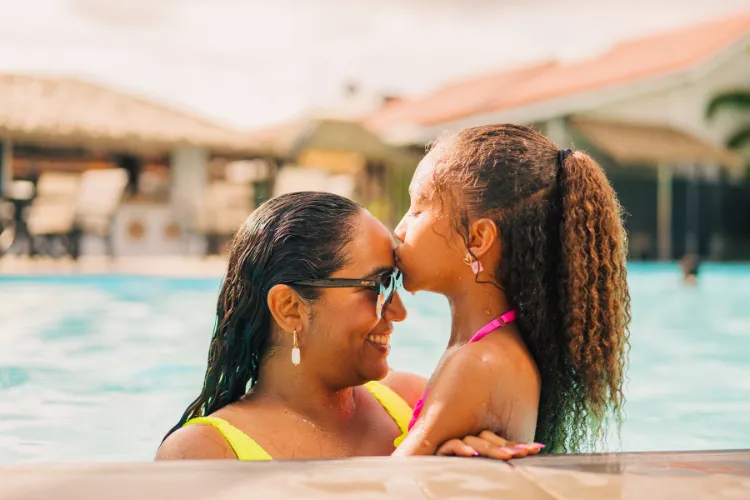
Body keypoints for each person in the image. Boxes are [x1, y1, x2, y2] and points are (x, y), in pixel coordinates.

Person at [156, 191, 536, 461]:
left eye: (394, 283)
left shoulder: (417, 402)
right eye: (377, 286)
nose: (399, 312)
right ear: (290, 308)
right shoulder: (203, 452)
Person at [393, 124, 631, 455]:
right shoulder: (492, 349)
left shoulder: (477, 363)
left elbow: (389, 485)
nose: (399, 228)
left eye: (418, 209)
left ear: (476, 240)